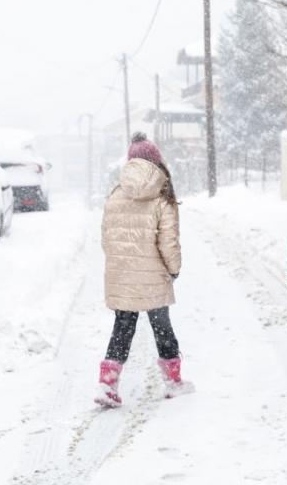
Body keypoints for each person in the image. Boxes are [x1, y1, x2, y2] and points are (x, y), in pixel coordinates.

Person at [95, 133, 194, 408]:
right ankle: (173, 381)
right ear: (156, 160)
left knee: (122, 328)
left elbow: (106, 239)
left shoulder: (116, 194)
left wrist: (121, 265)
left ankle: (107, 384)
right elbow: (169, 242)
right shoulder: (161, 194)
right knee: (162, 327)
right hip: (153, 277)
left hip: (122, 275)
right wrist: (173, 269)